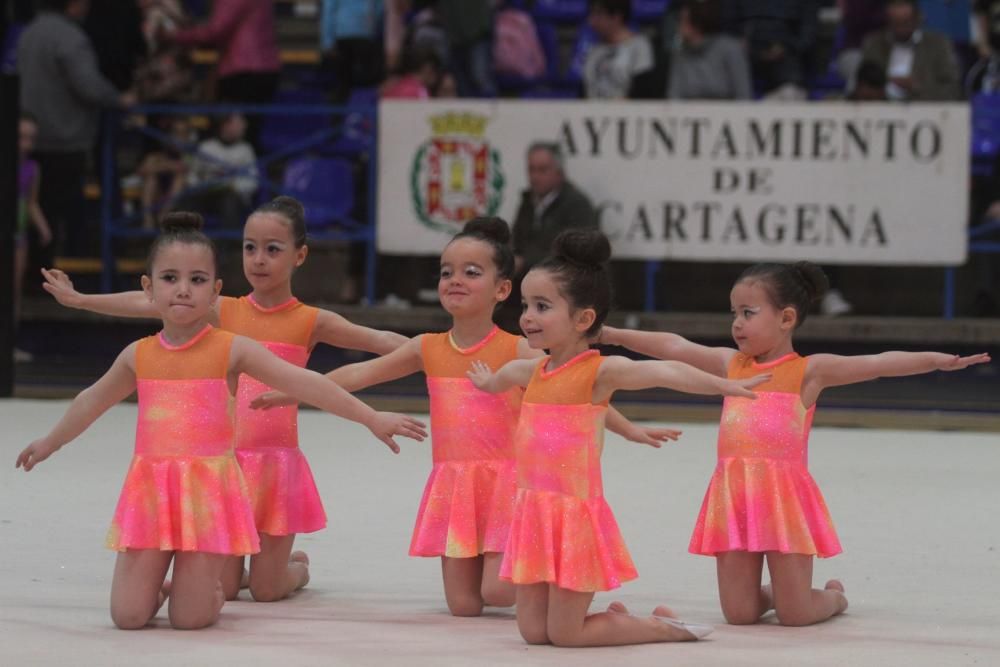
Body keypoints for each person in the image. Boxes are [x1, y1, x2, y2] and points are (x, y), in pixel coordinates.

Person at [251, 218, 682, 617]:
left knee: (496, 592)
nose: (455, 280)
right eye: (446, 271)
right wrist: (294, 389)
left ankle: (564, 593)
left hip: (507, 485)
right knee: (463, 606)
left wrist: (628, 430)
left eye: (472, 272)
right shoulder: (428, 347)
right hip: (455, 486)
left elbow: (578, 393)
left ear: (501, 290)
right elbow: (359, 373)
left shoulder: (516, 350)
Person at [16, 212, 427, 630]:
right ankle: (166, 582)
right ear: (149, 288)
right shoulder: (137, 355)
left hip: (209, 494)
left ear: (215, 292)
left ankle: (210, 588)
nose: (182, 290)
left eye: (196, 281)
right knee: (127, 616)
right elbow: (91, 400)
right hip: (153, 494)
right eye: (170, 279)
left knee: (192, 618)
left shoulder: (233, 349)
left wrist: (371, 417)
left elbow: (308, 384)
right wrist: (52, 441)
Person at [599, 262, 990, 626]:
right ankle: (776, 594)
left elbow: (878, 363)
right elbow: (674, 346)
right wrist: (611, 334)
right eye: (734, 313)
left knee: (797, 615)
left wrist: (935, 360)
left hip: (782, 501)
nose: (737, 323)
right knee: (739, 614)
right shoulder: (730, 366)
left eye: (748, 313)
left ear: (786, 318)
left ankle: (833, 598)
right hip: (735, 497)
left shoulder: (808, 372)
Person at [466, 229, 771, 647]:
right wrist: (485, 383)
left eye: (542, 306)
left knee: (566, 635)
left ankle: (662, 627)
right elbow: (500, 380)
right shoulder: (528, 372)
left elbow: (665, 371)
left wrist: (726, 385)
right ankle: (615, 620)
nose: (527, 317)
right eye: (525, 305)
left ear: (583, 319)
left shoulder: (599, 372)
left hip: (573, 517)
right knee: (534, 633)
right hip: (533, 514)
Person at [16, 0, 135, 260]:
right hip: (65, 138)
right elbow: (89, 85)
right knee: (60, 211)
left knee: (34, 210)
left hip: (32, 136)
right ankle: (60, 268)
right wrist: (118, 98)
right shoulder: (70, 37)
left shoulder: (29, 31)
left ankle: (36, 275)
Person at [505, 142, 597, 332]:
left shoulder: (577, 205)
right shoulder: (528, 202)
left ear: (559, 171)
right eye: (531, 170)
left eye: (542, 170)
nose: (535, 176)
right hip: (528, 287)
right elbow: (517, 240)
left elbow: (576, 255)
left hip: (564, 290)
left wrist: (525, 261)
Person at [860, 0, 961, 101]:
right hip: (879, 110)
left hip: (924, 110)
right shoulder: (874, 44)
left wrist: (916, 87)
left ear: (917, 18)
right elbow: (862, 87)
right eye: (896, 23)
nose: (901, 28)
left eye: (905, 22)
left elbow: (953, 90)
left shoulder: (938, 45)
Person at [13, 114, 53, 363]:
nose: (26, 144)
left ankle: (7, 343)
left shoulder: (32, 168)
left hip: (18, 235)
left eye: (31, 138)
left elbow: (31, 202)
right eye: (21, 137)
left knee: (12, 292)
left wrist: (43, 227)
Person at [722, 0, 819, 100]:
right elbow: (725, 28)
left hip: (787, 58)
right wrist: (738, 43)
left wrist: (786, 47)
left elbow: (807, 37)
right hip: (743, 55)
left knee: (791, 87)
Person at [668, 0, 752, 100]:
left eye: (683, 20)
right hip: (689, 114)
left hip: (725, 113)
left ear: (697, 23)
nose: (679, 26)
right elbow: (674, 95)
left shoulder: (731, 49)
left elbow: (743, 95)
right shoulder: (680, 53)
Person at [583, 0, 654, 99]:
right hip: (589, 112)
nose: (592, 22)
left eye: (598, 14)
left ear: (616, 17)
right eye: (592, 14)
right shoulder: (594, 50)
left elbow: (643, 93)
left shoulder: (639, 46)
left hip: (626, 113)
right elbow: (584, 92)